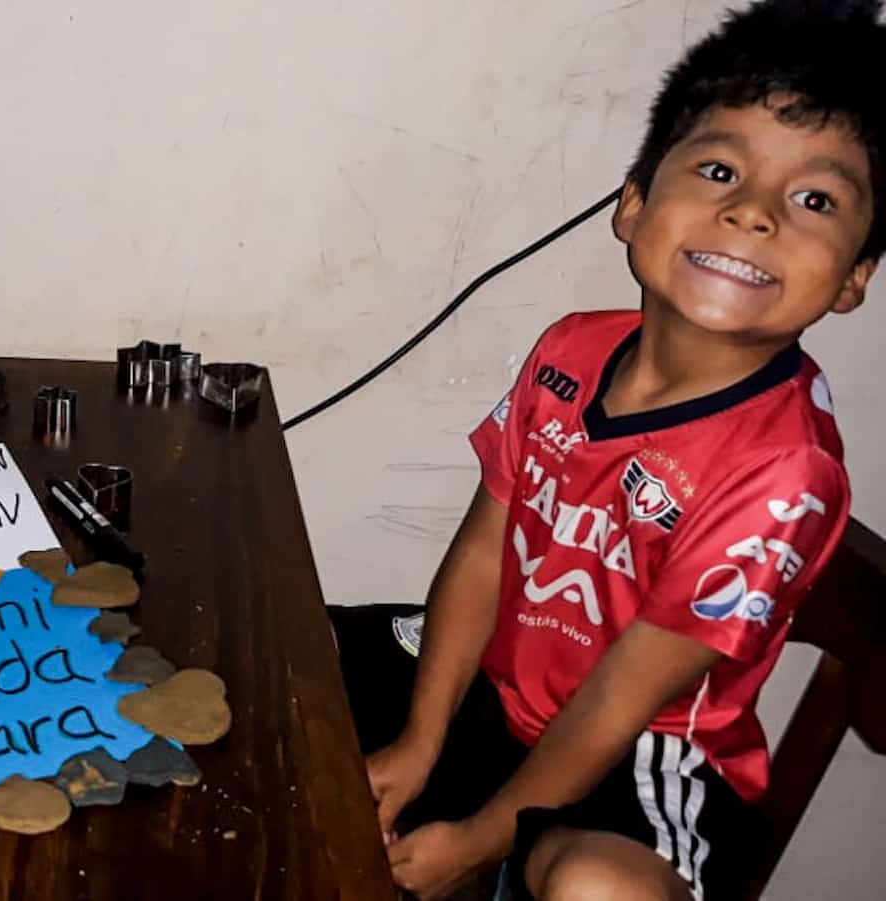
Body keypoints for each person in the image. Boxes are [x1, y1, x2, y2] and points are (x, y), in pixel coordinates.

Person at [330, 1, 884, 898]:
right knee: (275, 654)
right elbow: (483, 554)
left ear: (855, 278)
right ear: (633, 205)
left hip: (640, 754)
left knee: (598, 885)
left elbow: (618, 701)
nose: (752, 213)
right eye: (718, 169)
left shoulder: (787, 473)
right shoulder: (570, 349)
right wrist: (418, 748)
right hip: (496, 690)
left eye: (814, 199)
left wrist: (474, 841)